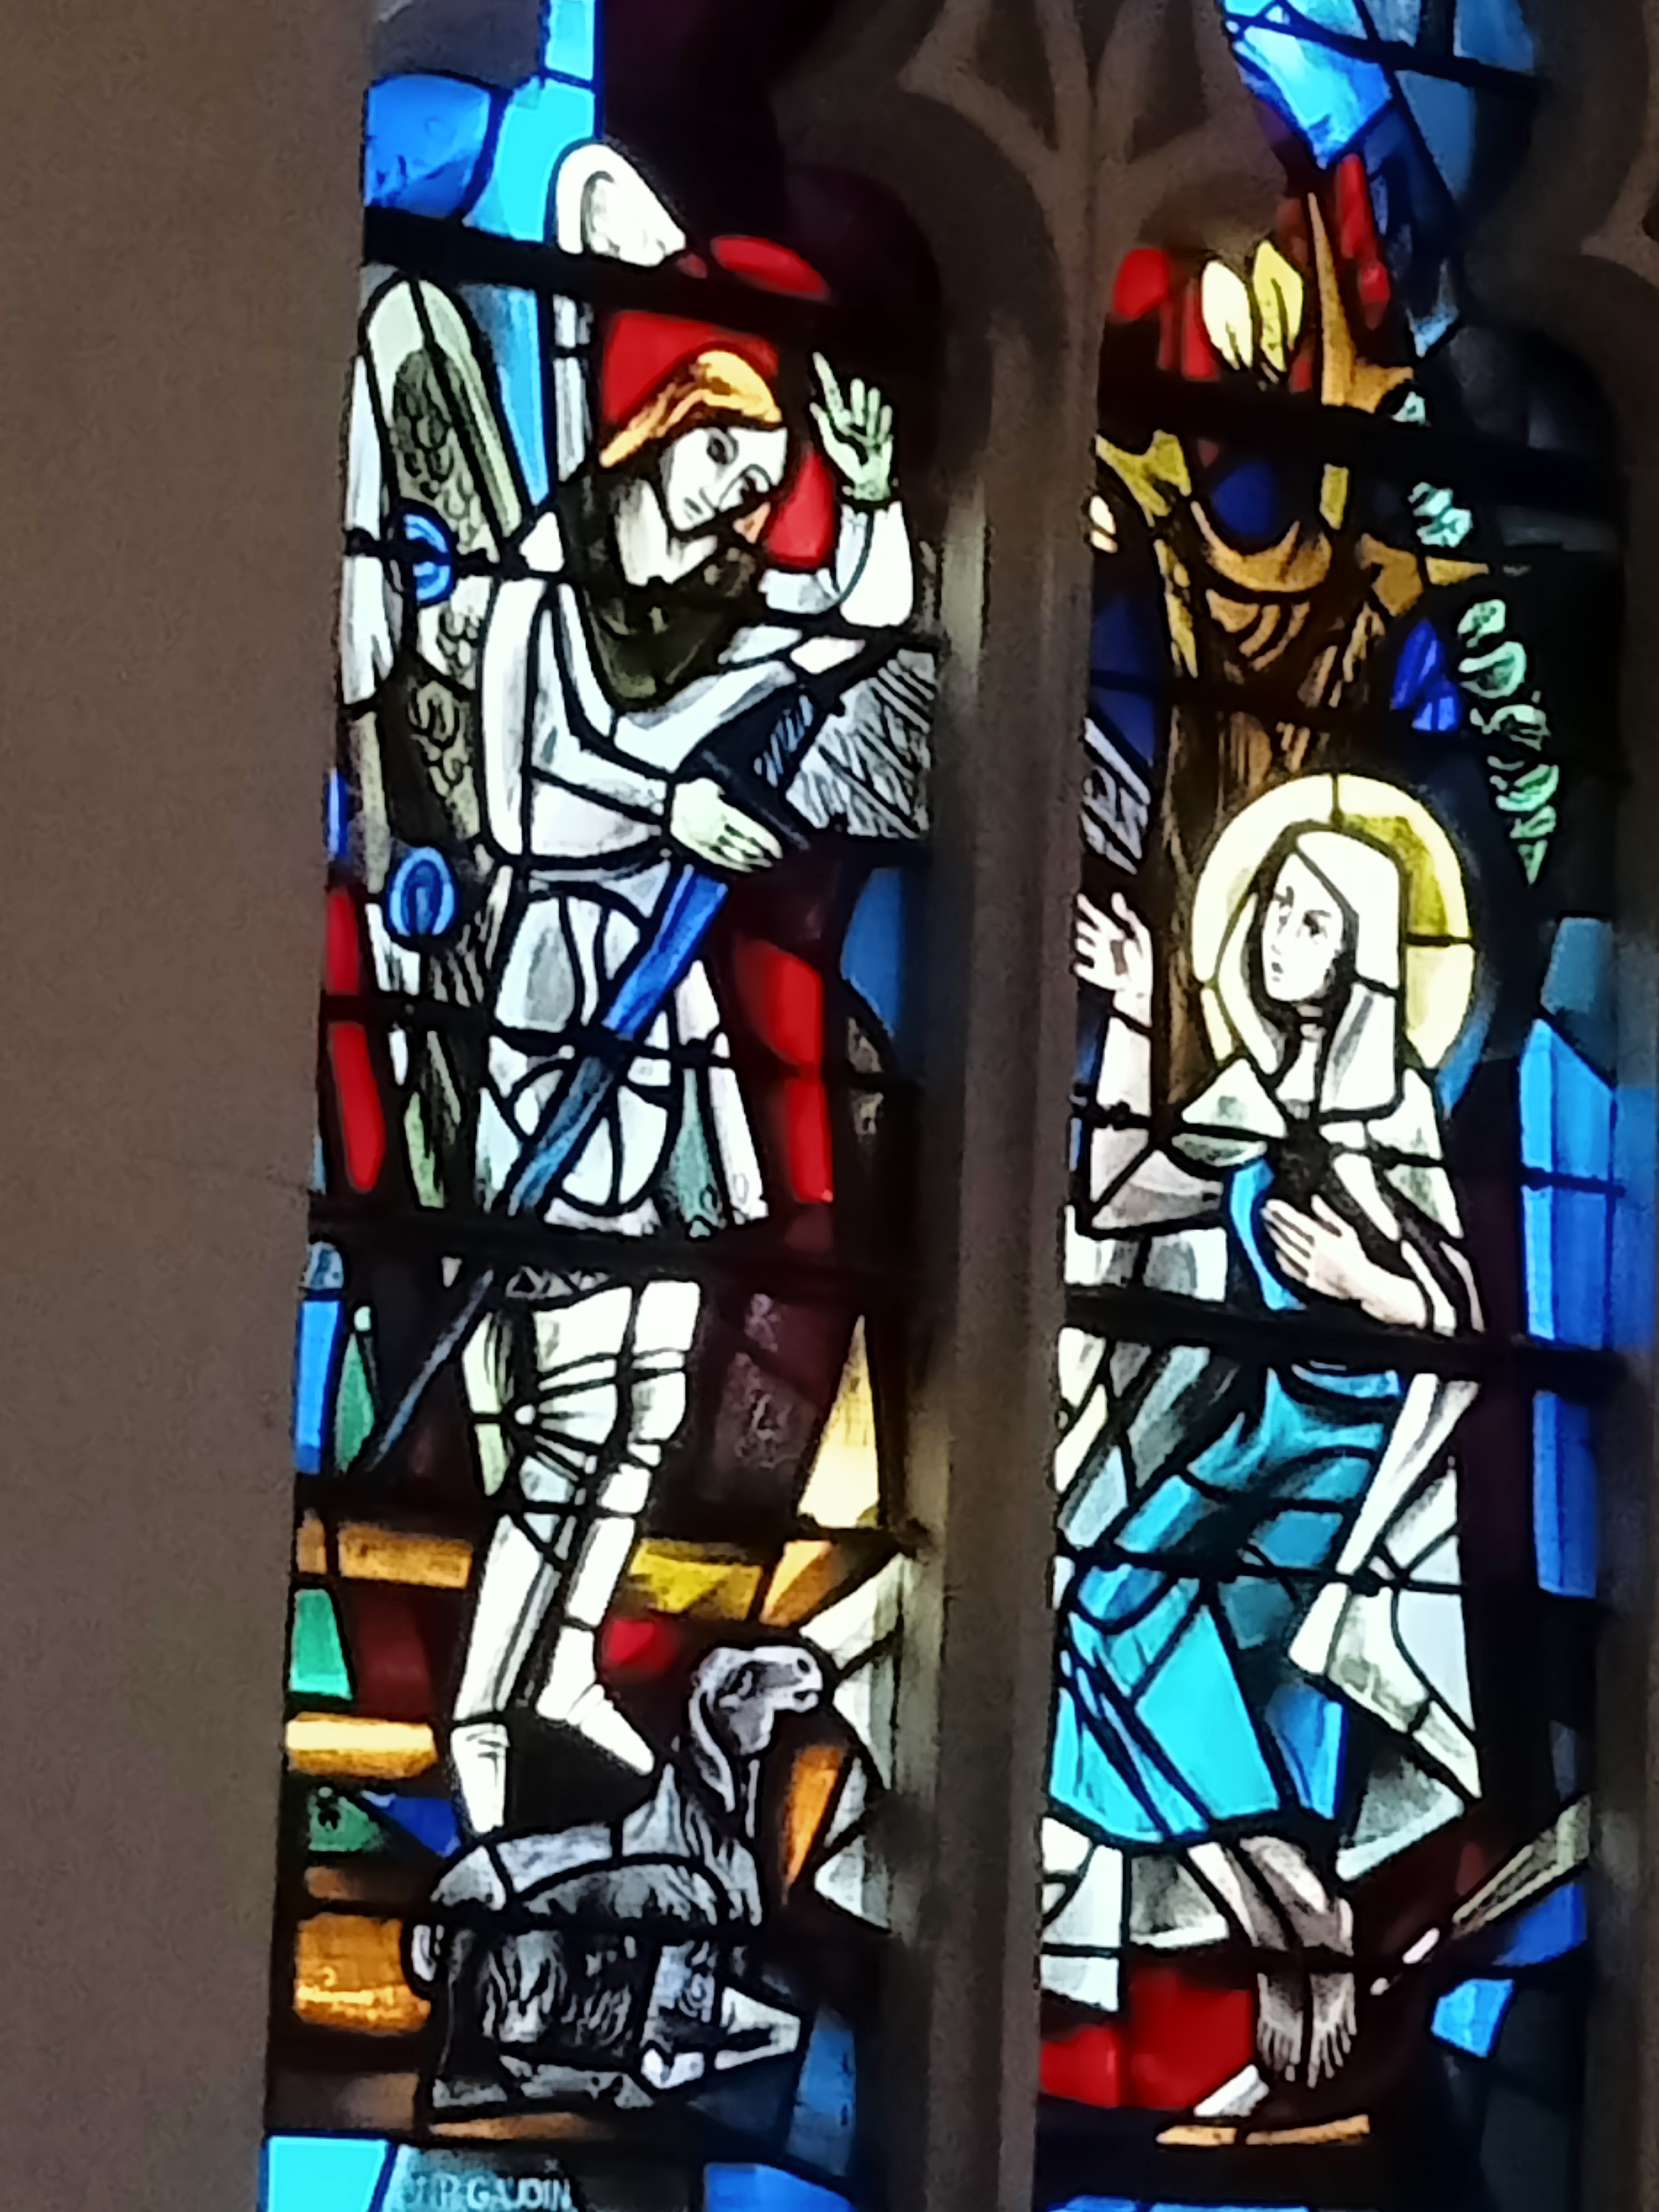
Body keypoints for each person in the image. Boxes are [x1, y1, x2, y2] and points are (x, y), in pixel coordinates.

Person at [340, 140, 918, 1837]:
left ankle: (565, 1668)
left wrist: (873, 495)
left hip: (650, 1037)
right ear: (663, 426)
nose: (749, 493)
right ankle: (484, 1709)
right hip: (547, 1019)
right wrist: (673, 805)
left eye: (768, 467)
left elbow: (860, 616)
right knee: (573, 1398)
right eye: (734, 451)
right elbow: (525, 797)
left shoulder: (720, 612)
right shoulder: (548, 582)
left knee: (649, 1386)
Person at [1051, 799, 1483, 2108]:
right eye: (1276, 906)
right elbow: (1118, 1192)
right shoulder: (1254, 1089)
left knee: (1144, 1613)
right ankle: (1289, 1913)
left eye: (1308, 917)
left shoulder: (1393, 1106)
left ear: (1362, 955)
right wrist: (1137, 1010)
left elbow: (1457, 1318)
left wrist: (1363, 1279)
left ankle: (1298, 1919)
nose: (1275, 932)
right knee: (1087, 1616)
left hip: (1353, 1456)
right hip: (1257, 1432)